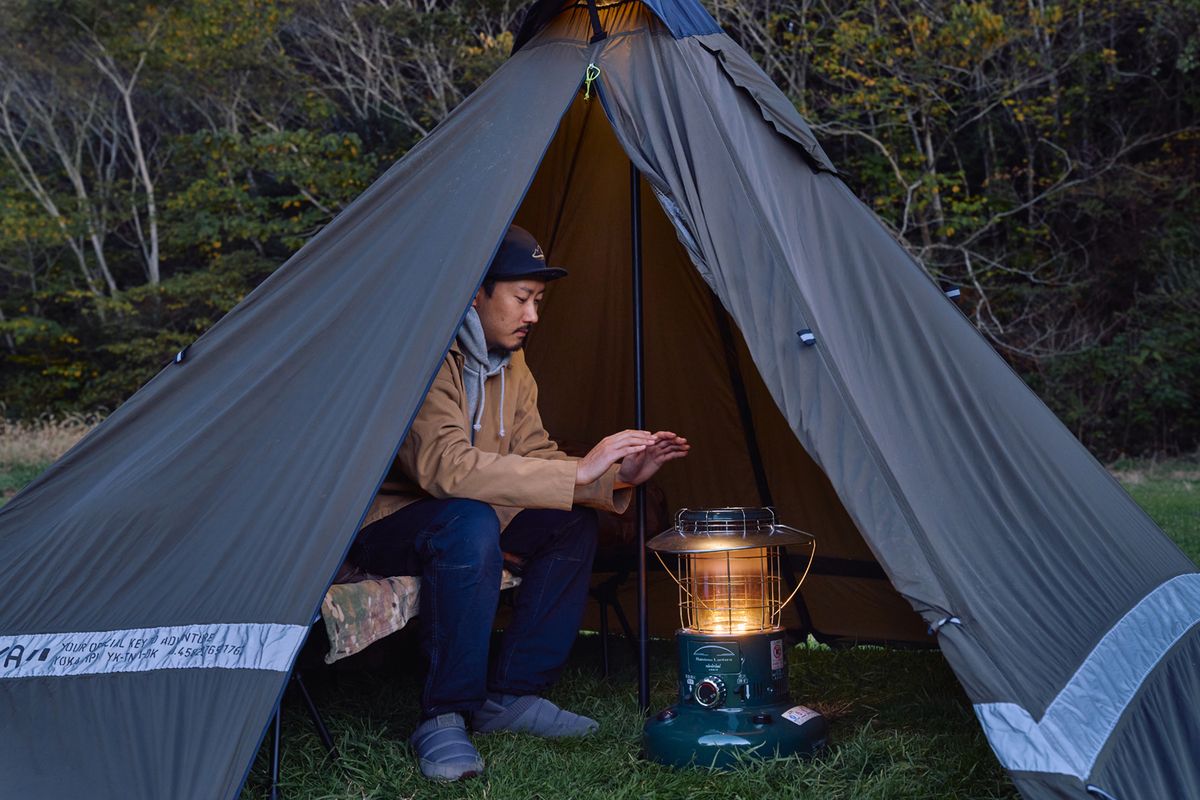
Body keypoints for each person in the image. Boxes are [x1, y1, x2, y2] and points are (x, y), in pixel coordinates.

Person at [350, 225, 689, 781]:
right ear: (474, 295)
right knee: (469, 521)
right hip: (390, 524)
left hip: (473, 516)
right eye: (522, 298)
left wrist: (616, 477)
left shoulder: (512, 363)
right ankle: (444, 715)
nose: (532, 315)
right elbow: (443, 467)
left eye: (538, 301)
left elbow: (535, 455)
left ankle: (511, 694)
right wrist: (579, 469)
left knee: (568, 523)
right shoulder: (427, 357)